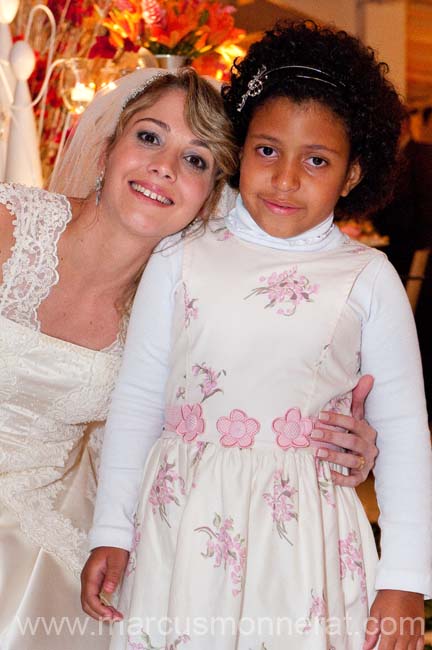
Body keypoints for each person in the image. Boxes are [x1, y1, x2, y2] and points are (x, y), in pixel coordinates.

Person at [82, 21, 432, 650]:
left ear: (352, 176)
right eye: (267, 150)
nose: (286, 178)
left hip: (303, 538)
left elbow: (404, 429)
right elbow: (137, 401)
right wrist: (113, 528)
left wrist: (405, 576)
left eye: (317, 160)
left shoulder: (367, 278)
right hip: (180, 525)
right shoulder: (180, 256)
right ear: (240, 151)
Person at [0, 66, 238, 650]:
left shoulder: (171, 324)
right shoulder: (7, 227)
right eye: (151, 137)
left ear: (208, 201)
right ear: (107, 150)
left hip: (30, 524)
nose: (165, 167)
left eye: (197, 160)